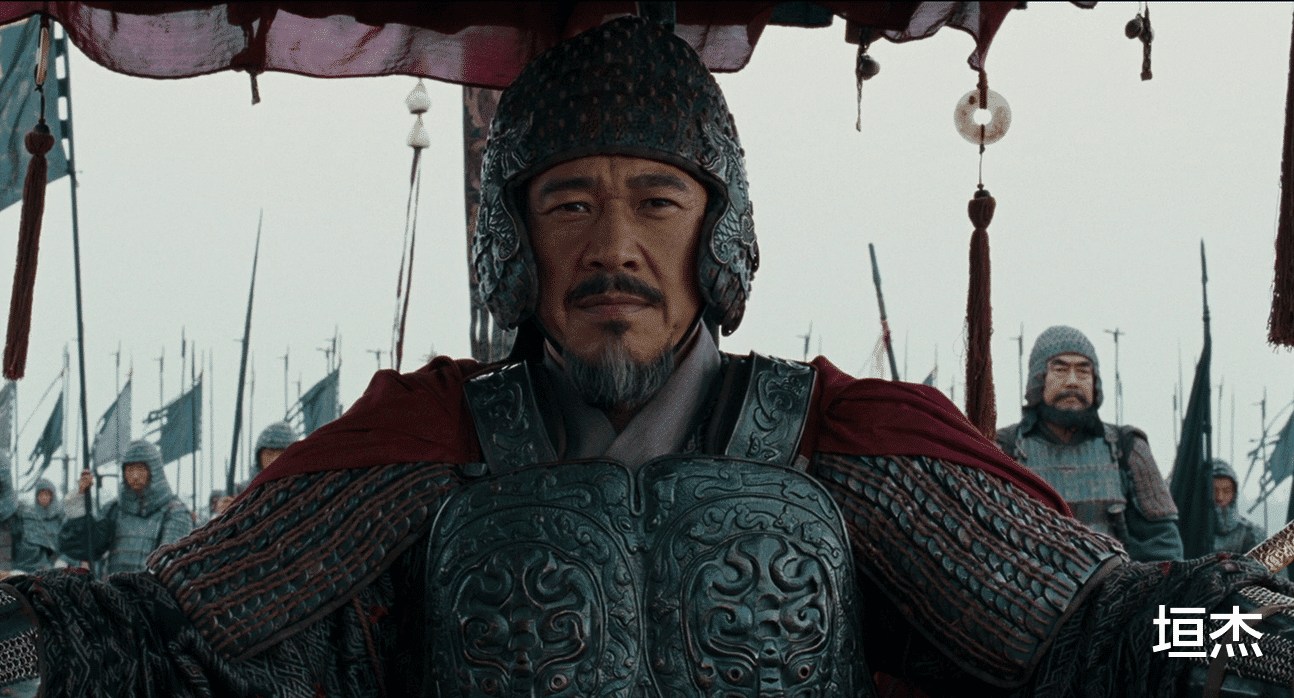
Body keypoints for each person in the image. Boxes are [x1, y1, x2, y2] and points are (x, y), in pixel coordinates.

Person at [0, 16, 1289, 698]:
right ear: (516, 240)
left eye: (655, 202)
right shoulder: (425, 445)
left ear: (714, 233)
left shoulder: (840, 440)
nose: (612, 245)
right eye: (569, 203)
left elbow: (1102, 625)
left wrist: (1248, 637)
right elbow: (158, 635)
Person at [997, 325, 1184, 561]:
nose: (1072, 382)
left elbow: (1162, 550)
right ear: (1039, 378)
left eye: (1083, 371)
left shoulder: (1127, 448)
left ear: (1095, 381)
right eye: (1060, 370)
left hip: (1117, 583)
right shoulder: (1003, 450)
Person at [58, 439, 193, 575]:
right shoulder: (114, 510)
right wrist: (81, 497)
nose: (134, 476)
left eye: (140, 469)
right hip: (113, 587)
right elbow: (87, 549)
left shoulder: (175, 512)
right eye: (130, 469)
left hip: (152, 588)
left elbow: (170, 566)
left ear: (154, 470)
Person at [214, 421, 299, 515]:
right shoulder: (242, 491)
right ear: (259, 457)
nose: (275, 459)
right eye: (270, 453)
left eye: (282, 453)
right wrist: (225, 507)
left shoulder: (304, 488)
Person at [1212, 458, 1264, 554]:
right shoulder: (1190, 531)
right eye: (1213, 491)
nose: (1220, 497)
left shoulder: (1250, 533)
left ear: (1234, 494)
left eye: (1226, 491)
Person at [19, 477, 62, 570]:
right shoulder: (30, 517)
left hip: (58, 562)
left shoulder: (60, 517)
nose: (43, 497)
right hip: (34, 563)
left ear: (52, 496)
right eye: (40, 494)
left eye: (46, 494)